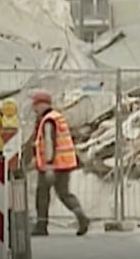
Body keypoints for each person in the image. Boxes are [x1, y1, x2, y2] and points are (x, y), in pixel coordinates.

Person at [31, 91, 90, 236]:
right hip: (64, 164)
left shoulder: (48, 120)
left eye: (35, 105)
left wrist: (49, 165)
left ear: (42, 104)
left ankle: (41, 225)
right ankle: (81, 216)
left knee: (42, 194)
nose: (34, 109)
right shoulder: (57, 117)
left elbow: (50, 142)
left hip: (52, 165)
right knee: (64, 194)